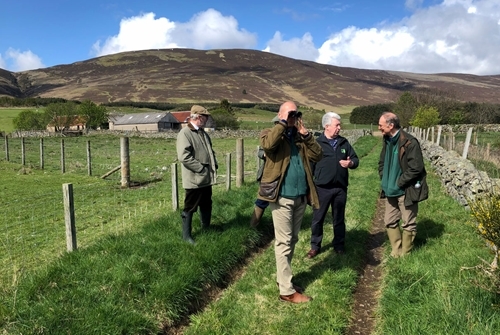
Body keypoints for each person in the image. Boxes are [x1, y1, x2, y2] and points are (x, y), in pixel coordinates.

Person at [258, 101, 323, 303]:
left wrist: (305, 134)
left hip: (301, 196)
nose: (293, 118)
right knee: (284, 242)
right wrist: (283, 123)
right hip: (282, 197)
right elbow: (268, 145)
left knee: (292, 240)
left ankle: (283, 279)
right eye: (289, 114)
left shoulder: (299, 139)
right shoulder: (270, 132)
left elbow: (318, 155)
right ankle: (286, 291)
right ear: (280, 115)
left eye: (295, 115)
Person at [306, 112, 359, 259]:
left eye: (339, 125)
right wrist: (308, 189)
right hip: (322, 188)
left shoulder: (344, 143)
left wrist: (351, 163)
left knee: (339, 218)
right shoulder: (317, 144)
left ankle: (339, 245)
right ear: (326, 126)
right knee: (318, 218)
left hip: (340, 188)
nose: (339, 128)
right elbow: (309, 167)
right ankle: (315, 246)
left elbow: (355, 159)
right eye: (337, 125)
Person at [378, 112, 428, 257]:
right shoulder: (386, 140)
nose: (379, 128)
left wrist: (399, 182)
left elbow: (416, 168)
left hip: (405, 190)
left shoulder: (410, 142)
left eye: (381, 125)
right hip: (389, 191)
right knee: (389, 220)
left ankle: (405, 255)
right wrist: (384, 178)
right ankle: (396, 251)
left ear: (391, 125)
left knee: (408, 223)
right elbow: (382, 162)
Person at [176, 105, 218, 244]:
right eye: (205, 117)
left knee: (206, 204)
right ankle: (186, 236)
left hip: (205, 178)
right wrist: (200, 168)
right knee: (190, 207)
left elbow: (210, 152)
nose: (207, 120)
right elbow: (184, 156)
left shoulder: (203, 133)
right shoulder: (185, 133)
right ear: (198, 117)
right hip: (194, 179)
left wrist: (214, 165)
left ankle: (206, 228)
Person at [250, 115, 280, 227]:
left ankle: (277, 226)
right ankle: (253, 226)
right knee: (262, 200)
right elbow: (260, 152)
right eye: (278, 123)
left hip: (284, 174)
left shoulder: (290, 137)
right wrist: (264, 154)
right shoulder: (268, 133)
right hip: (268, 174)